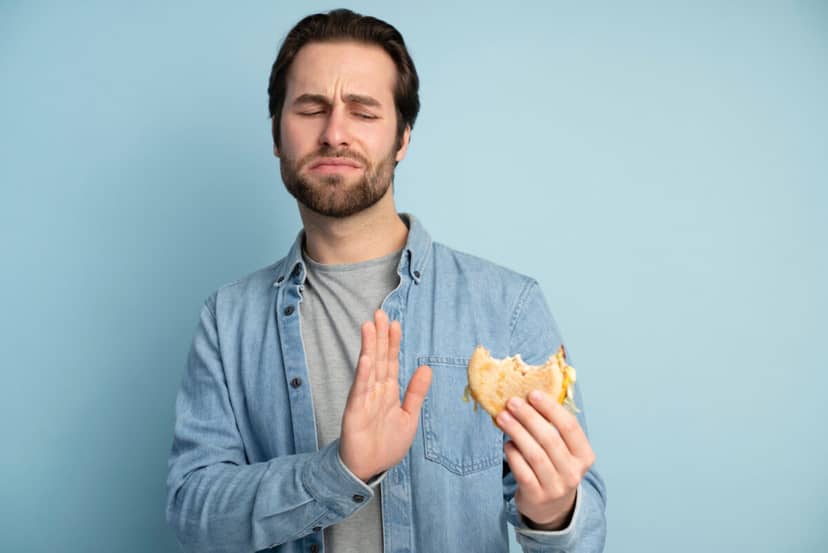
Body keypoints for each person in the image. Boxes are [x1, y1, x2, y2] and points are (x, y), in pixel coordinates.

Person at [166, 8, 607, 553]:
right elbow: (193, 517)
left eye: (363, 112)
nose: (334, 134)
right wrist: (339, 471)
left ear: (402, 139)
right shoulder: (228, 319)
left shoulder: (507, 305)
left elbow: (585, 534)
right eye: (311, 109)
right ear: (277, 134)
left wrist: (554, 512)